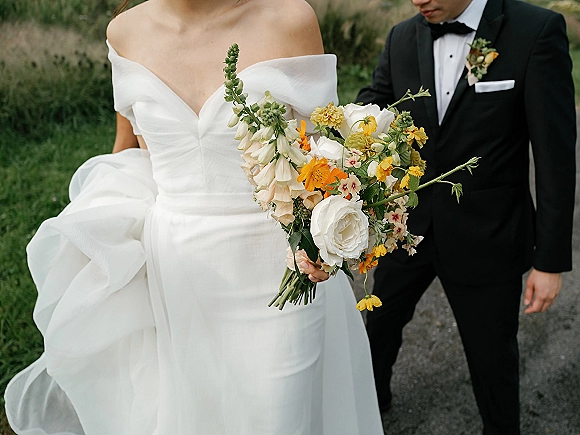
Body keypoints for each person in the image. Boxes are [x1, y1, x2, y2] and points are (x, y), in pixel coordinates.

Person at [4, 0, 384, 433]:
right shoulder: (124, 32)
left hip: (282, 265)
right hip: (178, 270)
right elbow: (129, 148)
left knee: (282, 413)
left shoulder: (290, 19)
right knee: (198, 411)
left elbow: (323, 152)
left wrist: (333, 229)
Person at [357, 0, 576, 432]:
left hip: (488, 235)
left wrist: (549, 260)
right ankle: (370, 408)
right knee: (378, 330)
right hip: (409, 229)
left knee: (492, 357)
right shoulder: (402, 36)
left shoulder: (535, 30)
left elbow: (554, 156)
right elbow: (374, 107)